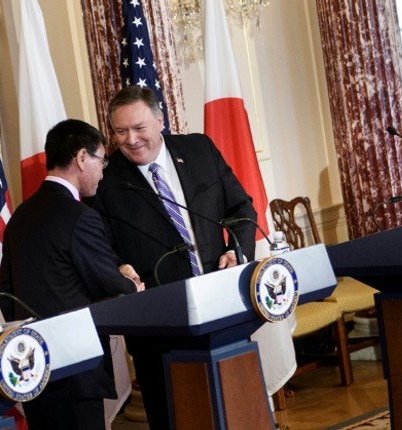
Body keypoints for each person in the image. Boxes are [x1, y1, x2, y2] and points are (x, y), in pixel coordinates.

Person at [88, 85, 257, 430]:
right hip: (157, 324)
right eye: (120, 132)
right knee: (173, 417)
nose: (131, 139)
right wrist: (118, 267)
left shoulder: (199, 150)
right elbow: (100, 245)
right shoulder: (106, 180)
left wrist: (235, 250)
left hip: (220, 305)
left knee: (235, 405)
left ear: (160, 120)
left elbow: (240, 207)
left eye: (139, 128)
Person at [0, 119, 144, 430]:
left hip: (34, 370)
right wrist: (130, 282)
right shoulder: (81, 217)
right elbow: (106, 282)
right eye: (102, 160)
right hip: (77, 370)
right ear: (81, 157)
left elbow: (6, 292)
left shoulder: (19, 218)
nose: (103, 171)